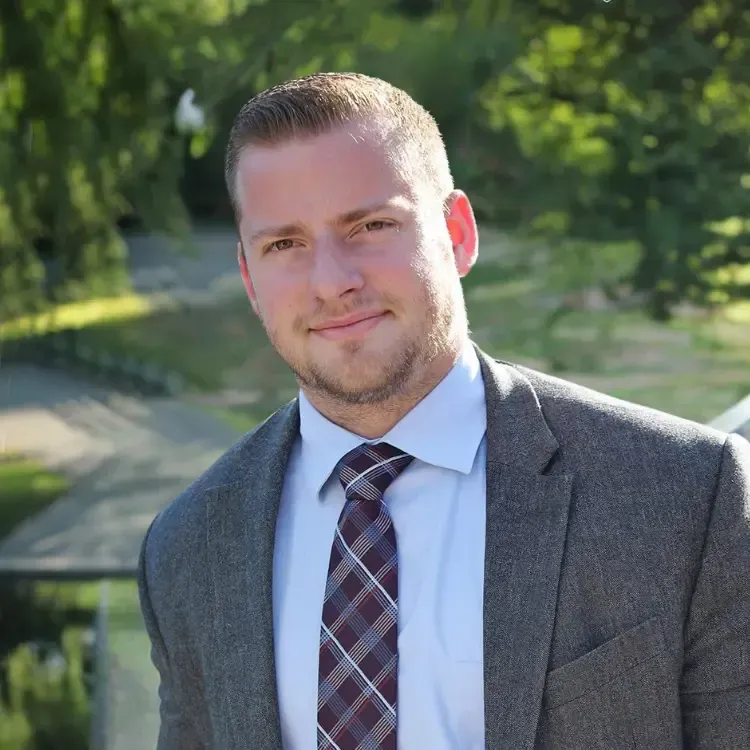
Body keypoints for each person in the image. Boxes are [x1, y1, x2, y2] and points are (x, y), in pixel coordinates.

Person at [137, 72, 750, 750]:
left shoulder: (685, 497)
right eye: (284, 244)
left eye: (370, 225)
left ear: (456, 233)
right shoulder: (188, 547)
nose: (332, 281)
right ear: (250, 278)